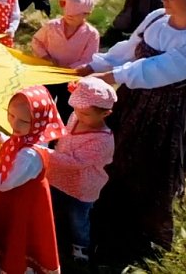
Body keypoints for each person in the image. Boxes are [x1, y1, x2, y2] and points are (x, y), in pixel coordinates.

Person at [77, 0, 186, 257]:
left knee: (158, 164)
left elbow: (159, 69)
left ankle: (142, 233)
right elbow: (130, 50)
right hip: (136, 97)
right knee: (118, 149)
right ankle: (107, 208)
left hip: (180, 109)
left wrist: (109, 76)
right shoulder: (158, 17)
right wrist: (95, 65)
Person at [0, 85, 66, 274]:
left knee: (15, 237)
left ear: (39, 122)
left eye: (23, 121)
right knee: (1, 232)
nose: (14, 125)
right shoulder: (27, 137)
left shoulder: (30, 155)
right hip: (12, 199)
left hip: (20, 204)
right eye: (11, 115)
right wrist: (4, 138)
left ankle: (10, 268)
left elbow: (3, 182)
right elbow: (16, 144)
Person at [46, 77, 116, 264]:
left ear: (105, 114)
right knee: (53, 207)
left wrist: (45, 153)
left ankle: (80, 245)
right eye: (76, 108)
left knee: (78, 218)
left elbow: (74, 162)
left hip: (81, 187)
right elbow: (64, 134)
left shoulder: (102, 140)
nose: (77, 114)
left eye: (85, 113)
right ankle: (49, 233)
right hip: (57, 177)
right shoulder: (76, 116)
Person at [31, 0, 100, 120]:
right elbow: (37, 41)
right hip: (49, 73)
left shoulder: (91, 34)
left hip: (71, 78)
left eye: (74, 14)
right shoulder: (52, 26)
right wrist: (46, 58)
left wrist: (70, 69)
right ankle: (37, 128)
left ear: (86, 14)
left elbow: (89, 58)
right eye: (67, 12)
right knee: (42, 101)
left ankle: (59, 135)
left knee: (66, 108)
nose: (69, 16)